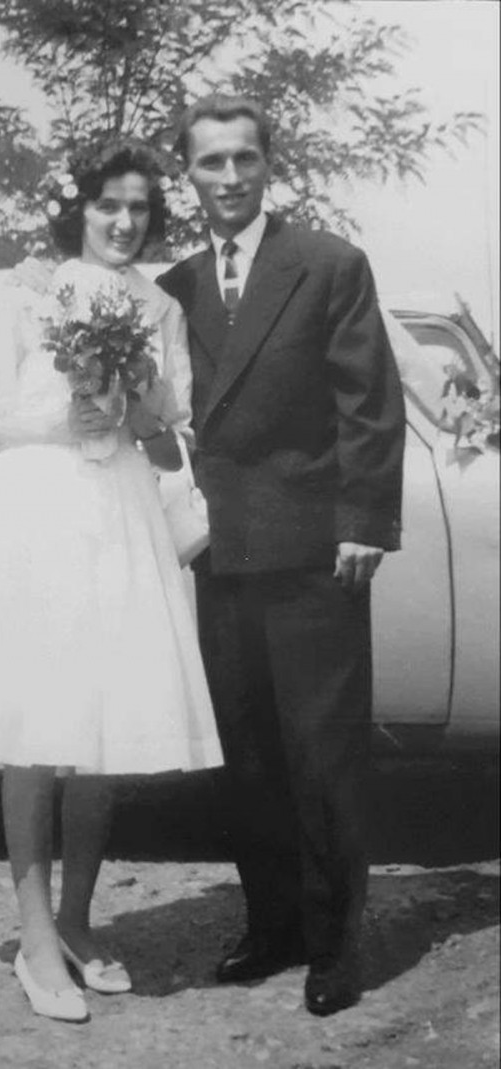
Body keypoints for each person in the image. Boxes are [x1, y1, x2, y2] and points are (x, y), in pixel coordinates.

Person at [0, 143, 223, 1023]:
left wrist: (138, 407)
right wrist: (52, 422)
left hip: (120, 513)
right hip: (36, 515)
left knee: (100, 727)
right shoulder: (24, 294)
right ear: (77, 208)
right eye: (108, 205)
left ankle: (79, 918)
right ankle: (35, 937)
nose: (124, 222)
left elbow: (172, 437)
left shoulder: (159, 307)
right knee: (37, 728)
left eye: (139, 209)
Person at [157, 94, 406, 1017]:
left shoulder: (328, 264)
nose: (229, 177)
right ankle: (274, 926)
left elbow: (370, 402)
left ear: (269, 164)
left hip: (313, 552)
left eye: (245, 159)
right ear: (187, 173)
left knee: (321, 754)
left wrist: (364, 522)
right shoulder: (176, 285)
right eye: (210, 161)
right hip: (220, 550)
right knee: (249, 754)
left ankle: (335, 945)